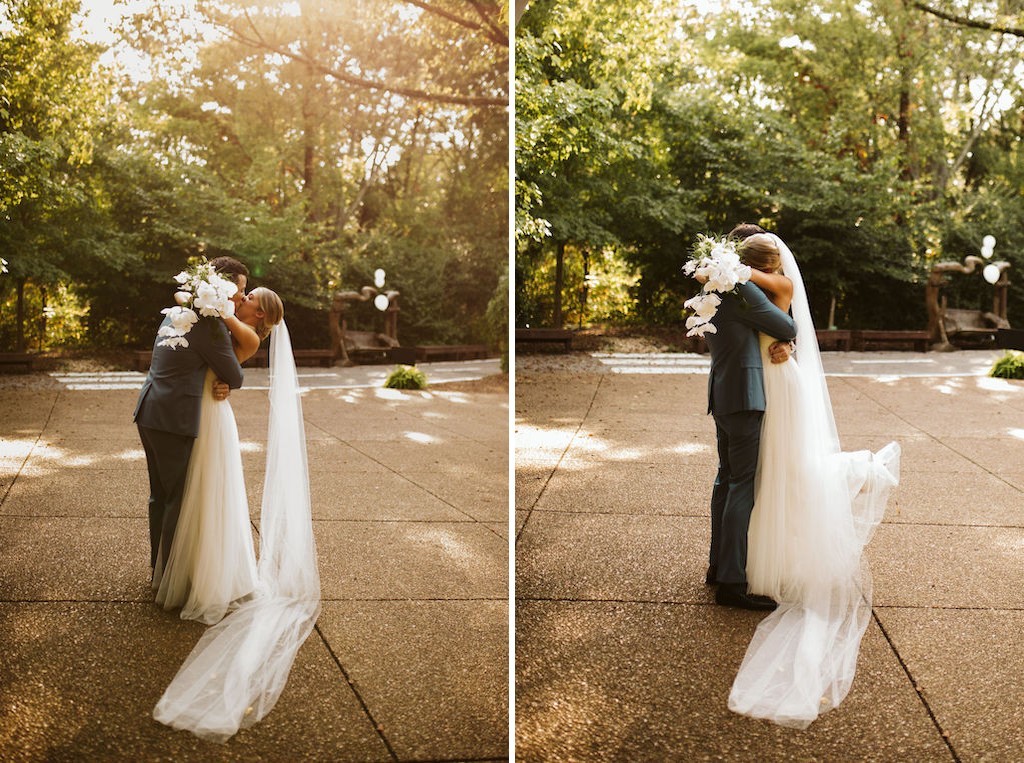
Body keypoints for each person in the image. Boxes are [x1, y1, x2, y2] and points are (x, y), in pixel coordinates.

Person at [726, 232, 900, 727]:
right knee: (775, 470)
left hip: (776, 382)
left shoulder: (768, 282)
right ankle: (762, 554)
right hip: (771, 375)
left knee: (786, 468)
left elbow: (753, 287)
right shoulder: (757, 283)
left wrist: (720, 266)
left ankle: (861, 469)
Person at [154, 286, 285, 624]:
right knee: (196, 492)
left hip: (210, 412)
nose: (243, 298)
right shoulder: (221, 321)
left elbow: (230, 370)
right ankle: (191, 569)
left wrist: (213, 300)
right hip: (201, 406)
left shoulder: (246, 333)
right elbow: (184, 300)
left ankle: (208, 576)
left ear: (260, 315)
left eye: (250, 297)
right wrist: (206, 298)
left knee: (209, 491)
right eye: (244, 292)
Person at [134, 256, 249, 587]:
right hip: (175, 418)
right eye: (239, 290)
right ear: (222, 289)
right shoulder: (211, 327)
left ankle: (159, 571)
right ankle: (169, 580)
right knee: (176, 500)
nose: (241, 297)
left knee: (160, 496)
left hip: (149, 409)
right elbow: (235, 375)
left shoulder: (177, 313)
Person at [703, 226, 797, 610]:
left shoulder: (714, 285)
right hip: (746, 397)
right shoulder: (746, 291)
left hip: (723, 392)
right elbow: (787, 327)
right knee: (742, 485)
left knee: (725, 481)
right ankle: (732, 582)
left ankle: (717, 566)